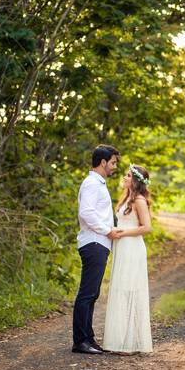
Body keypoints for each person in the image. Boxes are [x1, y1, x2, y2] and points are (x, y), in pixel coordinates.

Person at [72, 144, 120, 355]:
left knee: (92, 293)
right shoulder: (92, 183)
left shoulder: (98, 183)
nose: (115, 167)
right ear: (103, 162)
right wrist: (107, 230)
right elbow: (86, 213)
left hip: (98, 243)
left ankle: (88, 339)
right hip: (94, 242)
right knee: (87, 293)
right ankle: (80, 341)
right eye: (113, 162)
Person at [103, 164, 154, 355]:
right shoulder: (126, 199)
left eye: (128, 175)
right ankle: (120, 339)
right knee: (120, 290)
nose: (124, 177)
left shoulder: (139, 200)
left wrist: (122, 233)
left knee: (129, 289)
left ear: (135, 181)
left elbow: (147, 227)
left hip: (132, 248)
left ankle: (130, 343)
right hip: (122, 248)